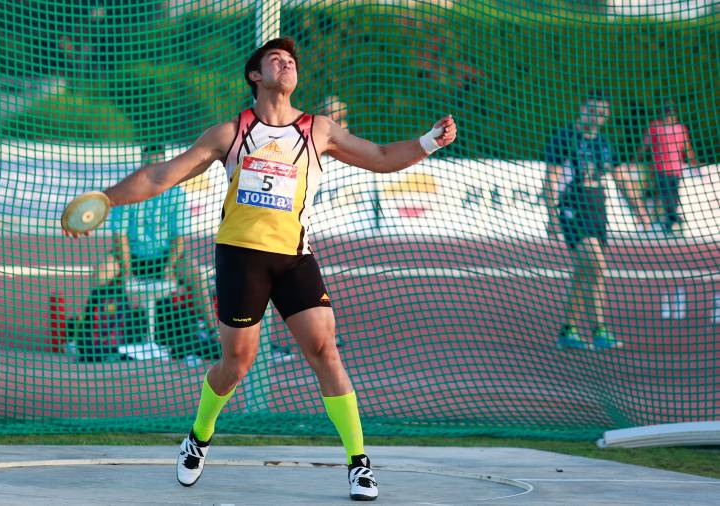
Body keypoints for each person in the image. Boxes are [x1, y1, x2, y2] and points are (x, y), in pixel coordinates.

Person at [65, 37, 457, 501]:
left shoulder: (319, 130)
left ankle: (358, 463)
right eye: (276, 59)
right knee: (236, 364)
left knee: (324, 349)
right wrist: (107, 199)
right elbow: (160, 175)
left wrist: (430, 141)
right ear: (256, 75)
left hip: (294, 257)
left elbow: (382, 158)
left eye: (291, 61)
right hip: (240, 257)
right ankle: (199, 435)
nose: (287, 64)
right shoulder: (231, 132)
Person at [544, 91, 650, 351]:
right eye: (592, 110)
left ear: (607, 116)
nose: (596, 116)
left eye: (601, 112)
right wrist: (552, 216)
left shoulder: (603, 143)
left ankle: (568, 331)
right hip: (572, 206)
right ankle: (599, 329)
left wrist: (639, 210)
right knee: (596, 264)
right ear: (582, 109)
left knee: (586, 271)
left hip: (597, 208)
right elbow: (551, 179)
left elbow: (619, 178)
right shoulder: (565, 138)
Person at [93, 144, 217, 344]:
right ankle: (94, 332)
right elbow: (120, 237)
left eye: (157, 163)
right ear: (142, 165)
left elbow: (179, 239)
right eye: (148, 163)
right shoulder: (128, 191)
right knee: (101, 273)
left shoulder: (176, 193)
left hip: (166, 258)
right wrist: (126, 271)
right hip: (131, 257)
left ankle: (213, 331)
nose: (152, 168)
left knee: (197, 276)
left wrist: (169, 267)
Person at [635, 101, 699, 236]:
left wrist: (694, 162)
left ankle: (671, 222)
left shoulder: (680, 129)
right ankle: (669, 220)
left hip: (676, 169)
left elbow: (686, 147)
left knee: (673, 197)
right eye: (668, 113)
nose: (670, 117)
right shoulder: (655, 127)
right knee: (664, 195)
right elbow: (645, 145)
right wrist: (635, 160)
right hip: (659, 169)